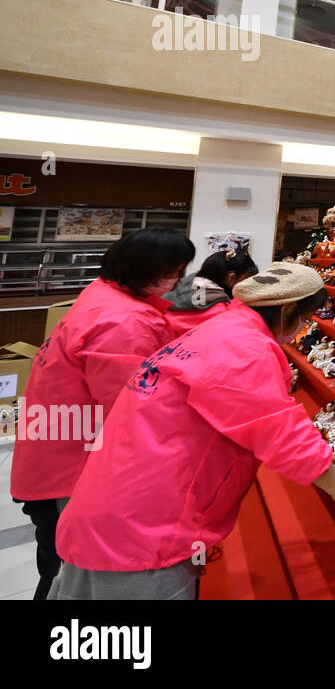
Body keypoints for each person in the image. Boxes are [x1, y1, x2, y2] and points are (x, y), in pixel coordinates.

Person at [49, 263, 335, 600]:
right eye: (305, 320)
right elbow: (276, 426)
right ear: (290, 310)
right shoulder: (243, 348)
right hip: (147, 524)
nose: (302, 330)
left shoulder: (221, 327)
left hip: (113, 500)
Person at [10, 227, 194, 600]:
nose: (178, 280)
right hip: (72, 468)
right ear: (144, 269)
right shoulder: (124, 323)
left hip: (54, 448)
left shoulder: (103, 294)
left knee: (56, 563)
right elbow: (130, 407)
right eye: (174, 271)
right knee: (67, 576)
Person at [163, 248, 258, 333]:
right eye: (247, 281)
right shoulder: (220, 310)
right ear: (231, 278)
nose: (248, 286)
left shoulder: (179, 286)